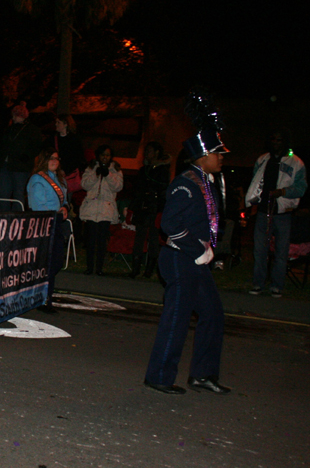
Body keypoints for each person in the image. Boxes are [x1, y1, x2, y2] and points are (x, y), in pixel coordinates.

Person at [144, 129, 231, 395]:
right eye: (216, 153)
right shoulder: (186, 183)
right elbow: (170, 224)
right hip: (180, 258)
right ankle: (159, 376)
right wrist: (197, 248)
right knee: (177, 319)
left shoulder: (205, 181)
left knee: (213, 314)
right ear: (202, 156)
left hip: (194, 259)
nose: (221, 158)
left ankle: (203, 374)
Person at [245, 131, 307, 297]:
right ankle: (258, 284)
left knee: (281, 252)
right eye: (273, 139)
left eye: (279, 140)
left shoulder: (296, 163)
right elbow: (254, 183)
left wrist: (283, 192)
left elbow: (301, 188)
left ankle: (277, 286)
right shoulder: (262, 159)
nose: (276, 143)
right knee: (260, 251)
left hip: (283, 213)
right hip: (263, 211)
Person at [27, 148, 68, 314]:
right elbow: (39, 207)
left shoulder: (58, 178)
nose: (54, 161)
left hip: (55, 222)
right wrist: (57, 213)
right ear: (43, 160)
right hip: (43, 224)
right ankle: (43, 299)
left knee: (54, 262)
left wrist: (65, 207)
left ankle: (43, 297)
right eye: (51, 158)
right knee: (48, 263)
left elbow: (63, 200)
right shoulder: (38, 179)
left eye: (57, 158)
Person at [128, 141, 170, 278]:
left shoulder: (162, 170)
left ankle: (149, 270)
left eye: (149, 151)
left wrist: (160, 210)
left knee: (153, 239)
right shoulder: (143, 170)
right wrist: (133, 207)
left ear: (157, 152)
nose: (147, 154)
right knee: (139, 238)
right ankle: (135, 269)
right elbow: (137, 189)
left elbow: (162, 189)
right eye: (146, 151)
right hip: (142, 207)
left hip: (154, 208)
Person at [80, 145, 123, 275]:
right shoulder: (91, 167)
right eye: (103, 154)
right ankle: (89, 267)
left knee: (102, 241)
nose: (105, 157)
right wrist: (96, 174)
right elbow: (84, 184)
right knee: (91, 240)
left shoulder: (115, 169)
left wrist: (108, 175)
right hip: (91, 208)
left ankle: (99, 268)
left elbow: (118, 187)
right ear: (98, 155)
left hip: (106, 209)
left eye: (107, 155)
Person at [0, 102, 43, 211]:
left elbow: (36, 146)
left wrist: (26, 156)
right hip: (9, 165)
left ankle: (15, 215)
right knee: (6, 192)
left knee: (17, 192)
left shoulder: (31, 130)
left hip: (20, 167)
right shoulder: (10, 129)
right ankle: (6, 214)